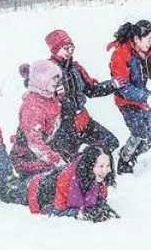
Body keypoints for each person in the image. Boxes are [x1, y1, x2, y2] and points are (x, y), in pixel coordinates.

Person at [43, 29, 120, 161]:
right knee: (70, 161)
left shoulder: (76, 68)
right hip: (64, 126)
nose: (69, 52)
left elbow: (91, 90)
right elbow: (37, 93)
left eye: (71, 48)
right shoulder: (48, 70)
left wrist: (113, 85)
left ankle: (92, 164)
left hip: (84, 121)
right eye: (65, 48)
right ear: (55, 50)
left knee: (111, 142)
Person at [1, 147, 119, 221]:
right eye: (101, 166)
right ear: (89, 165)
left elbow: (100, 198)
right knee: (7, 192)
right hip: (36, 191)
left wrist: (102, 207)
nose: (105, 170)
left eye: (108, 166)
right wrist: (82, 213)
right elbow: (58, 210)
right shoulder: (67, 179)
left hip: (48, 179)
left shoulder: (101, 176)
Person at [107, 20, 151, 174]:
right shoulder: (121, 54)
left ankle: (135, 154)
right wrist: (145, 97)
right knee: (139, 133)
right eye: (149, 38)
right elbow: (123, 87)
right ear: (136, 38)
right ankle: (125, 160)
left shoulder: (148, 48)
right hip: (127, 101)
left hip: (146, 98)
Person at [9, 59, 67, 177]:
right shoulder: (33, 107)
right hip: (27, 157)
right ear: (42, 80)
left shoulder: (49, 96)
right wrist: (56, 161)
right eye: (53, 78)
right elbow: (34, 143)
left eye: (57, 78)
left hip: (44, 149)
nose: (57, 82)